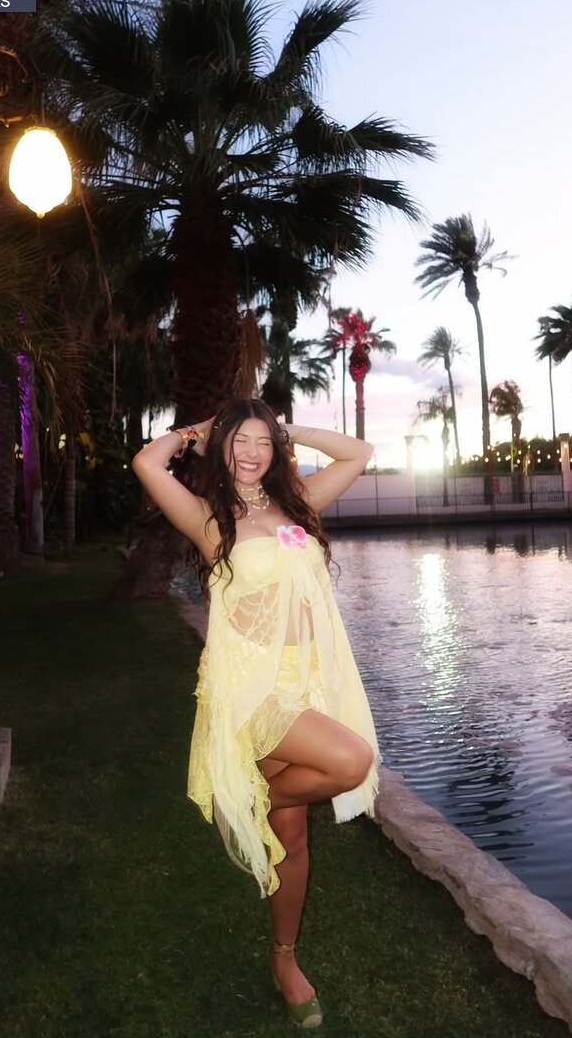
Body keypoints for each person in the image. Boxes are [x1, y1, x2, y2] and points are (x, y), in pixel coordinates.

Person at [132, 399, 379, 1029]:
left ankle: (284, 958)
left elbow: (359, 453)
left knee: (291, 838)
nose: (251, 452)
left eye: (262, 442)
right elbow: (147, 462)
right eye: (239, 440)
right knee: (351, 761)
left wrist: (288, 429)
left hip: (308, 682)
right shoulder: (208, 518)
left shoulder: (297, 503)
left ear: (276, 449)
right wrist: (197, 431)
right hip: (253, 688)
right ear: (222, 447)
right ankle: (251, 795)